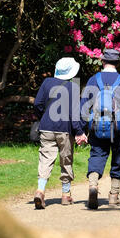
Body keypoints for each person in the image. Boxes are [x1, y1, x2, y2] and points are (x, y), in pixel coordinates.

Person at [79, 49, 120, 209]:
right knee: (119, 155)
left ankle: (93, 185)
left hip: (96, 126)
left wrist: (80, 129)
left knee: (97, 154)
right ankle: (114, 195)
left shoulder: (94, 80)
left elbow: (83, 106)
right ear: (118, 63)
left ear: (102, 61)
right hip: (119, 127)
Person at [33, 57, 87, 209]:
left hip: (46, 127)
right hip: (65, 129)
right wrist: (79, 132)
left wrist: (43, 117)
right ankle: (65, 195)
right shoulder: (73, 88)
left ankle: (40, 190)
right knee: (66, 160)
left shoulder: (46, 82)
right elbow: (74, 114)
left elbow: (38, 104)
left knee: (45, 159)